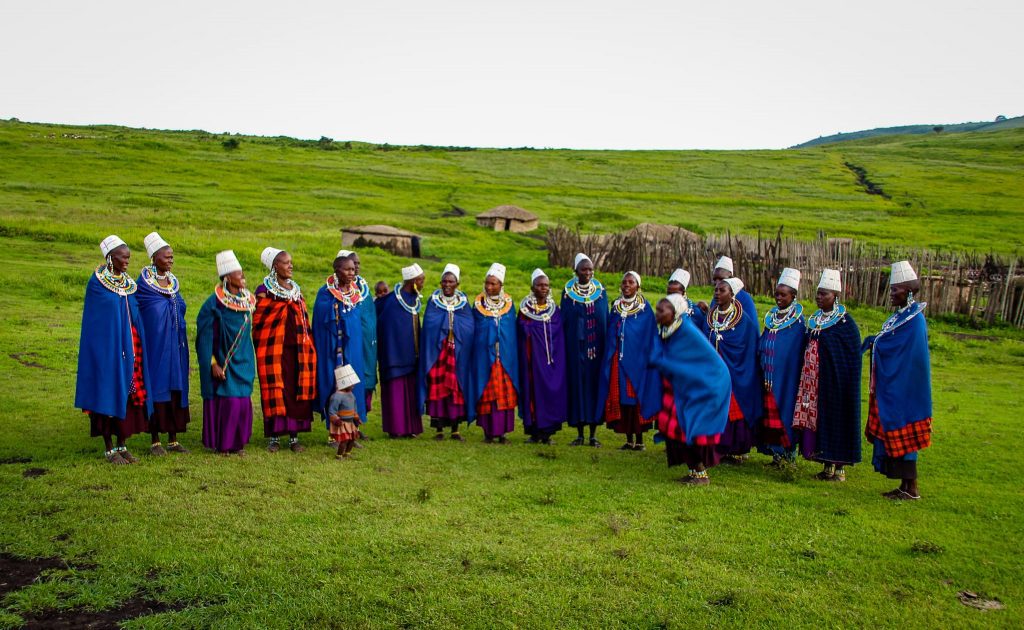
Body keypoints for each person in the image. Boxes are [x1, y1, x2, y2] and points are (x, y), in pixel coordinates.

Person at [75, 236, 152, 464]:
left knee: (127, 397)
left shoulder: (127, 283)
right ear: (110, 258)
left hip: (130, 349)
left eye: (128, 257)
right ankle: (109, 448)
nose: (127, 261)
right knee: (108, 395)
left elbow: (133, 312)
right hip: (107, 351)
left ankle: (122, 444)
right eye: (123, 257)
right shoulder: (97, 284)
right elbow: (97, 321)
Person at [863, 261, 932, 500]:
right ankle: (904, 485)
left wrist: (879, 343)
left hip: (906, 386)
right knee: (893, 429)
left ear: (909, 292)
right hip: (894, 385)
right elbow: (887, 340)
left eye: (896, 290)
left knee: (905, 430)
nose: (891, 294)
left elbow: (906, 351)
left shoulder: (914, 321)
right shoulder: (901, 317)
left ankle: (911, 487)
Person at [649, 294, 731, 485]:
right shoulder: (669, 328)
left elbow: (682, 362)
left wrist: (657, 361)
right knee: (674, 424)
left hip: (710, 383)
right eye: (658, 309)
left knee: (689, 426)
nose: (658, 313)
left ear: (675, 312)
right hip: (691, 383)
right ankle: (695, 471)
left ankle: (701, 474)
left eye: (663, 310)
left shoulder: (685, 332)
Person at [792, 269, 862, 481]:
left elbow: (849, 356)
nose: (819, 297)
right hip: (815, 383)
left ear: (835, 296)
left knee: (837, 419)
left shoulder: (845, 324)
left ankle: (839, 467)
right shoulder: (815, 320)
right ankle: (825, 464)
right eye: (818, 293)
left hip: (837, 383)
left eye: (824, 294)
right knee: (821, 420)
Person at [252, 247, 317, 453]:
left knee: (295, 391)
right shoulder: (264, 290)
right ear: (274, 266)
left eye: (290, 262)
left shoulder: (295, 290)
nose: (291, 265)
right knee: (275, 391)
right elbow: (259, 321)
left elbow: (304, 319)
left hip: (298, 350)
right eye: (285, 262)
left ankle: (294, 437)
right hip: (274, 351)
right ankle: (274, 437)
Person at [195, 250, 256, 456]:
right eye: (239, 274)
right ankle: (223, 444)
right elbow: (204, 340)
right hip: (223, 361)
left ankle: (238, 444)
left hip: (244, 361)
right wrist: (213, 363)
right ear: (228, 278)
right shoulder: (213, 305)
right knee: (229, 402)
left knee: (243, 403)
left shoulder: (247, 301)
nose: (244, 277)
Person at [135, 232, 190, 456]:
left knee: (176, 388)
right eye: (166, 257)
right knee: (157, 388)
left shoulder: (172, 283)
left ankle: (173, 439)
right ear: (154, 258)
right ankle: (155, 440)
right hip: (156, 348)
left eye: (172, 257)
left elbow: (181, 306)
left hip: (176, 347)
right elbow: (145, 314)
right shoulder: (144, 286)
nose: (170, 260)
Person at [698, 277, 762, 463]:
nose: (717, 293)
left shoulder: (744, 321)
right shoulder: (711, 317)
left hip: (736, 373)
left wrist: (732, 364)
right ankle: (717, 447)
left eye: (722, 290)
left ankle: (735, 449)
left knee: (733, 411)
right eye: (716, 290)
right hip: (714, 375)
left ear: (732, 294)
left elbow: (748, 349)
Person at [597, 271, 660, 451]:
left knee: (635, 399)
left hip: (637, 362)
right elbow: (611, 331)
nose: (626, 285)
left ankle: (640, 440)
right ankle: (628, 438)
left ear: (637, 287)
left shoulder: (645, 308)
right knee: (621, 398)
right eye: (624, 282)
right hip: (618, 359)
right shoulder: (616, 307)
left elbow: (648, 335)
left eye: (631, 282)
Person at [313, 251, 367, 447]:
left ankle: (351, 432)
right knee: (334, 389)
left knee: (354, 389)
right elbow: (321, 321)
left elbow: (354, 321)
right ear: (337, 271)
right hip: (333, 350)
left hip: (352, 350)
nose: (352, 273)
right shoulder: (325, 294)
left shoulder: (355, 294)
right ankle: (333, 435)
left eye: (353, 269)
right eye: (347, 269)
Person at [756, 268, 806, 466]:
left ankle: (788, 455)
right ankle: (776, 455)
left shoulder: (798, 324)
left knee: (785, 412)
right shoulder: (772, 318)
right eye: (776, 294)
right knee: (770, 413)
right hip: (768, 375)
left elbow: (794, 351)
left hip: (787, 378)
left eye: (783, 295)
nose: (778, 298)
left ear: (793, 296)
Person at [420, 263, 473, 441]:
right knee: (438, 388)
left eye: (451, 282)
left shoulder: (463, 303)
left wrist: (455, 327)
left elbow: (469, 327)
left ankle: (455, 429)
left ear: (457, 284)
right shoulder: (434, 302)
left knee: (456, 389)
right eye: (444, 281)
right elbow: (428, 325)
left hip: (457, 353)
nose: (447, 285)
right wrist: (444, 327)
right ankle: (439, 429)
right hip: (438, 352)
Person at [560, 253, 608, 447]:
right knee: (577, 386)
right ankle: (579, 433)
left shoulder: (601, 292)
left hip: (595, 349)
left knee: (593, 387)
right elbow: (565, 319)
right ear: (576, 272)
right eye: (583, 269)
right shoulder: (567, 293)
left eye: (590, 269)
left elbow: (603, 317)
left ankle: (593, 434)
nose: (587, 273)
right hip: (575, 348)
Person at [376, 263, 426, 438]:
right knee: (396, 392)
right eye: (420, 280)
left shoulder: (413, 299)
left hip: (412, 356)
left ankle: (411, 428)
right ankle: (396, 429)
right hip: (394, 357)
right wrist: (391, 352)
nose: (422, 283)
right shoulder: (392, 301)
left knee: (411, 392)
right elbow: (386, 327)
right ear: (411, 281)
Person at [517, 269, 566, 444]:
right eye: (539, 285)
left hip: (551, 362)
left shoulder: (555, 311)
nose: (543, 288)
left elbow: (559, 334)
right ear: (533, 287)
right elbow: (522, 331)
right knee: (533, 394)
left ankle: (547, 434)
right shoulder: (525, 310)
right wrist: (530, 329)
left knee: (550, 393)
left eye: (546, 285)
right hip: (532, 362)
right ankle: (534, 432)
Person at [472, 263, 519, 444]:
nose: (489, 287)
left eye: (493, 284)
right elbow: (475, 329)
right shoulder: (478, 305)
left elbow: (510, 331)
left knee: (504, 394)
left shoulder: (509, 304)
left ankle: (502, 433)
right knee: (487, 393)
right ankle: (488, 432)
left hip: (505, 358)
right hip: (485, 358)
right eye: (487, 283)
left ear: (501, 285)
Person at [346, 250, 378, 416]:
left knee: (366, 380)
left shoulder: (363, 287)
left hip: (368, 343)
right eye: (353, 263)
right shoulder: (339, 290)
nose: (356, 267)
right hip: (351, 344)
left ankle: (358, 422)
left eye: (358, 263)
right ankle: (349, 424)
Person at [700, 256, 759, 325]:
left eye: (721, 279)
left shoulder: (745, 298)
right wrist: (707, 313)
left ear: (731, 278)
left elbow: (752, 327)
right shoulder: (716, 298)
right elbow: (716, 320)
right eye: (715, 280)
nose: (717, 283)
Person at [327, 364, 363, 460]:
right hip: (343, 423)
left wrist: (356, 418)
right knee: (345, 440)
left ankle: (347, 453)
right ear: (345, 383)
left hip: (350, 422)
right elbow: (332, 411)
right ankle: (339, 455)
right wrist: (336, 420)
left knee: (352, 439)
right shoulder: (336, 396)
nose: (353, 386)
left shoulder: (351, 395)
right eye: (351, 384)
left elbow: (354, 408)